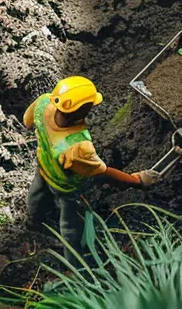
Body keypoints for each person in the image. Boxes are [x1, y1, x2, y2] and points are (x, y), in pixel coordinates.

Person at [24, 76, 159, 250]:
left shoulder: (43, 103)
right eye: (89, 106)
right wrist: (137, 180)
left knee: (37, 193)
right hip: (66, 186)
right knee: (71, 221)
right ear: (80, 111)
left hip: (44, 166)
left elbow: (27, 121)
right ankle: (74, 260)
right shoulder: (78, 146)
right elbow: (101, 173)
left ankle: (34, 221)